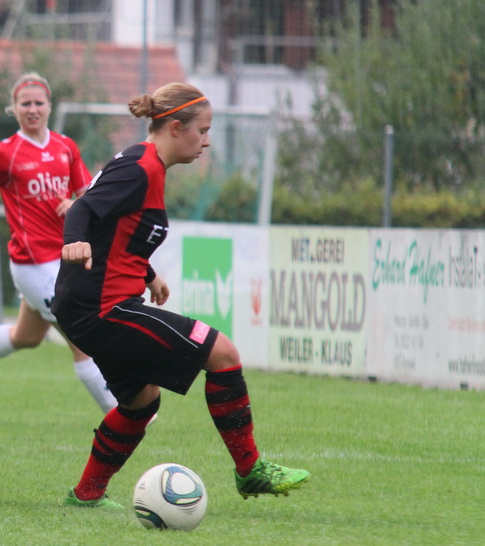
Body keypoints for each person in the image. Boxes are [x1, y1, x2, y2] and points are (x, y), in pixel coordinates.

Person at [52, 83, 310, 507]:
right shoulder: (140, 168)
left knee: (141, 401)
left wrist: (148, 273)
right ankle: (251, 470)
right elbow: (84, 209)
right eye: (202, 131)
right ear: (175, 127)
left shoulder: (145, 164)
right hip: (101, 307)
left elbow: (116, 228)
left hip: (92, 303)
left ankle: (86, 494)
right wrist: (74, 241)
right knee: (222, 353)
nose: (206, 141)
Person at [0, 72, 117, 413]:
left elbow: (88, 197)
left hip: (66, 259)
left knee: (26, 336)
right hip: (32, 264)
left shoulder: (65, 147)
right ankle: (122, 415)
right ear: (14, 108)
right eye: (25, 104)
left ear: (49, 106)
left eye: (38, 103)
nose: (32, 109)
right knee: (81, 339)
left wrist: (77, 204)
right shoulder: (4, 153)